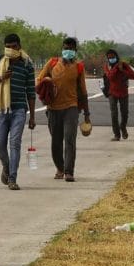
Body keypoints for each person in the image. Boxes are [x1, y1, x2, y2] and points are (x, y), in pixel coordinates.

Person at [0, 34, 36, 191]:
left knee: (15, 144)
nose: (11, 49)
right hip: (0, 109)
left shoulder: (27, 64)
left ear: (19, 46)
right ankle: (6, 166)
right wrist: (0, 78)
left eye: (13, 46)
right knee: (0, 145)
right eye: (8, 47)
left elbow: (31, 92)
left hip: (19, 110)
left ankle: (12, 178)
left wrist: (32, 116)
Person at [37, 37, 90, 182]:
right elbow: (39, 80)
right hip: (53, 109)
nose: (68, 51)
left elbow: (83, 91)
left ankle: (69, 171)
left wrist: (87, 113)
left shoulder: (79, 67)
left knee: (70, 139)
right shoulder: (52, 63)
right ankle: (60, 168)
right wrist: (46, 81)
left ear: (75, 51)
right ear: (62, 49)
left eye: (71, 49)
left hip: (71, 108)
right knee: (56, 141)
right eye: (66, 48)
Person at [103, 49, 134, 141]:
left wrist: (123, 70)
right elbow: (110, 76)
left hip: (123, 92)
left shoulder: (124, 65)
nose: (111, 59)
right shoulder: (107, 66)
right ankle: (117, 135)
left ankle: (123, 127)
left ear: (116, 57)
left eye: (113, 57)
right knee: (114, 114)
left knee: (125, 113)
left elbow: (133, 76)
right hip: (112, 92)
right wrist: (116, 68)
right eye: (109, 58)